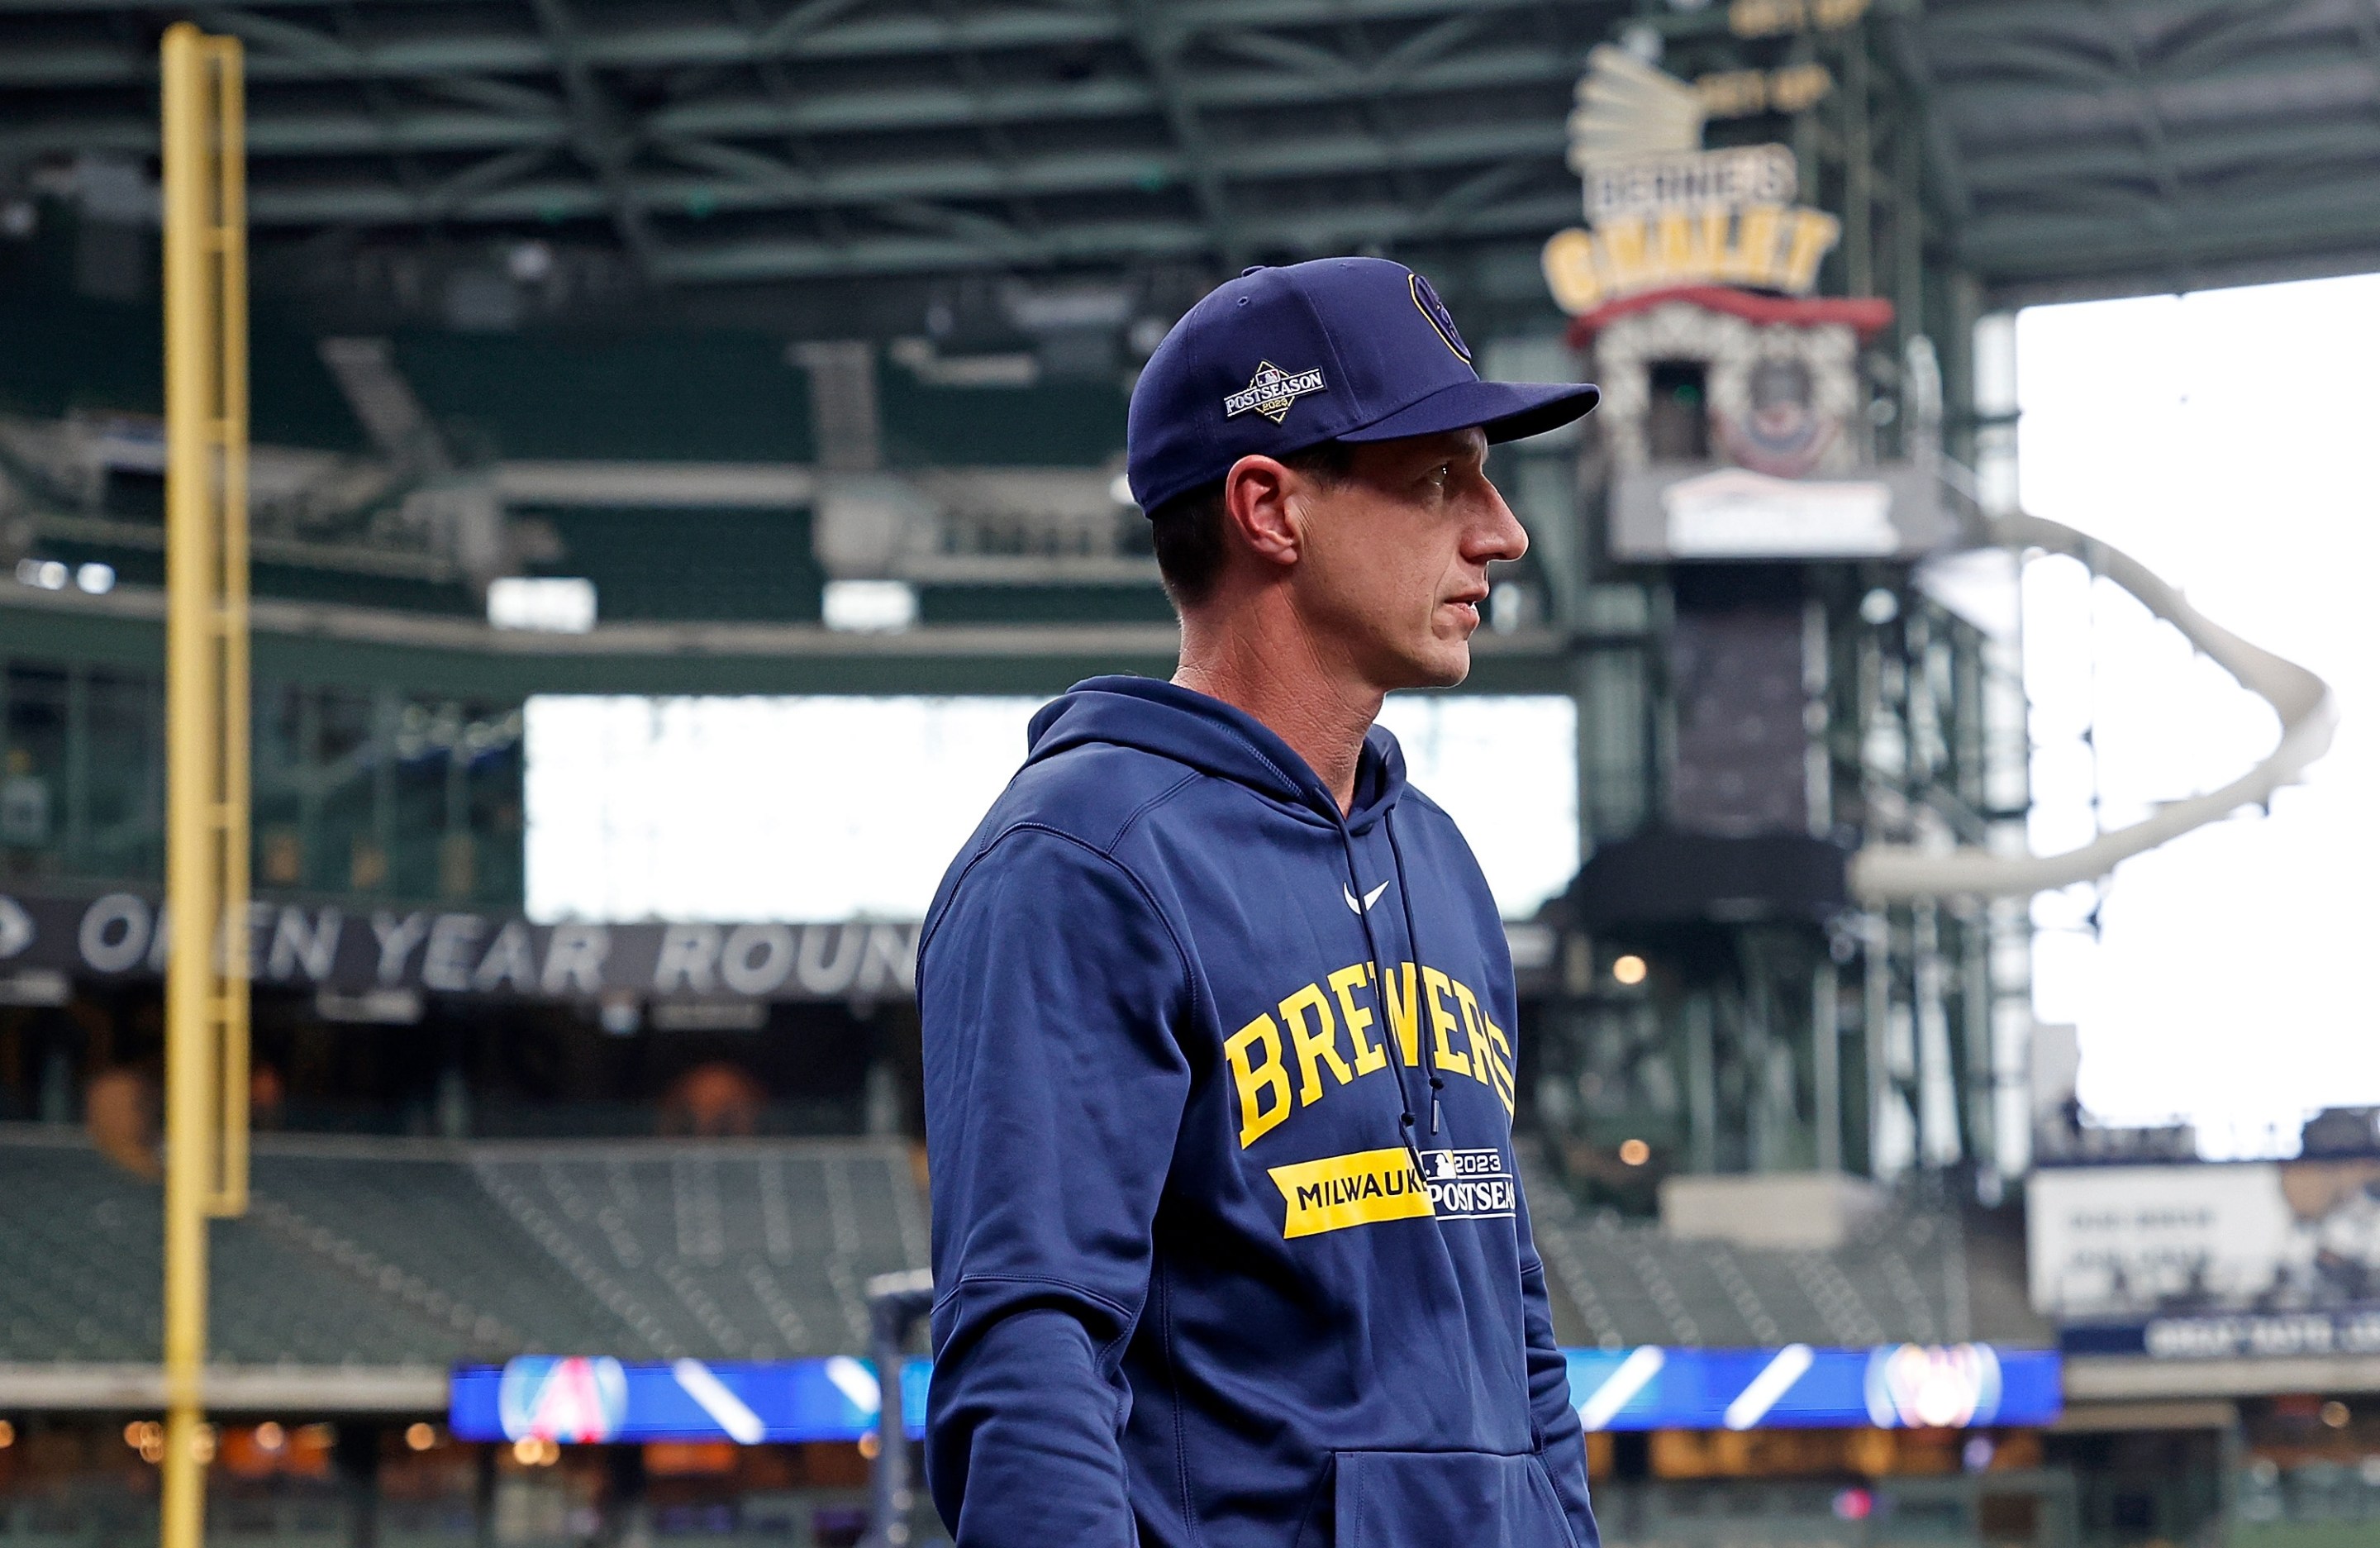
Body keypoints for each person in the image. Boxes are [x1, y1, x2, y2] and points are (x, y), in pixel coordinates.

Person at [918, 257, 1602, 1548]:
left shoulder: (1441, 859)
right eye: (1440, 477)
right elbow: (1027, 1356)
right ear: (1270, 508)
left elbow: (1517, 1329)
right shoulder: (1076, 862)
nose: (1503, 530)